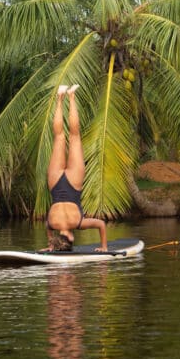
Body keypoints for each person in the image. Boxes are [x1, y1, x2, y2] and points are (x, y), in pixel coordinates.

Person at [45, 86, 108, 252]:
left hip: (73, 181)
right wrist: (50, 245)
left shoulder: (78, 223)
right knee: (58, 138)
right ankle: (60, 97)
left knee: (74, 137)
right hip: (55, 182)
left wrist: (103, 247)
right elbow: (48, 230)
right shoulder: (52, 223)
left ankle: (71, 96)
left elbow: (101, 224)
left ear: (70, 238)